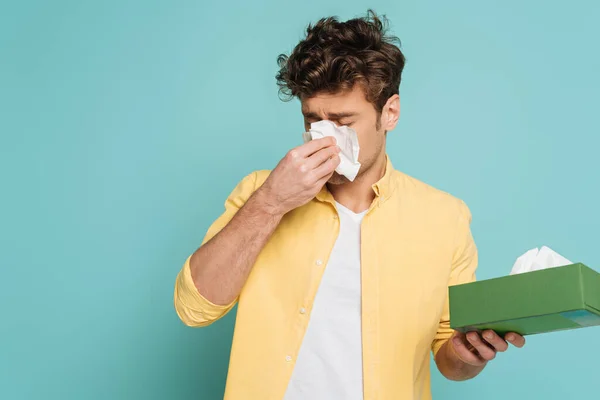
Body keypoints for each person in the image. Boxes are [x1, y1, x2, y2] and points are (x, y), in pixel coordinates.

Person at [173, 10, 525, 400]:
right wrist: (272, 201)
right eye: (313, 121)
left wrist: (467, 355)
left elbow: (448, 358)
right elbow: (194, 307)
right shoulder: (260, 192)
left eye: (342, 122)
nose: (325, 138)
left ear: (389, 113)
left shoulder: (446, 217)